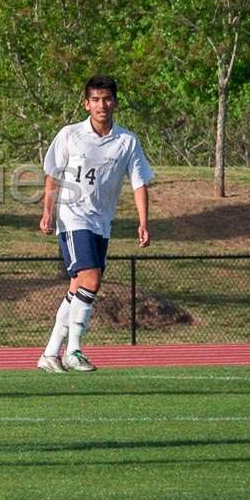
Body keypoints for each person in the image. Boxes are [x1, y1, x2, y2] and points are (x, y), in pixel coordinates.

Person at [37, 75, 153, 372]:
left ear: (115, 102)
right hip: (73, 216)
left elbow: (139, 182)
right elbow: (53, 173)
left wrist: (143, 221)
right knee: (91, 278)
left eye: (107, 99)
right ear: (86, 104)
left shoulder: (127, 141)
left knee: (78, 285)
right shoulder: (70, 134)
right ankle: (73, 350)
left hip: (102, 222)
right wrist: (47, 211)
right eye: (96, 100)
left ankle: (50, 353)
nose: (102, 105)